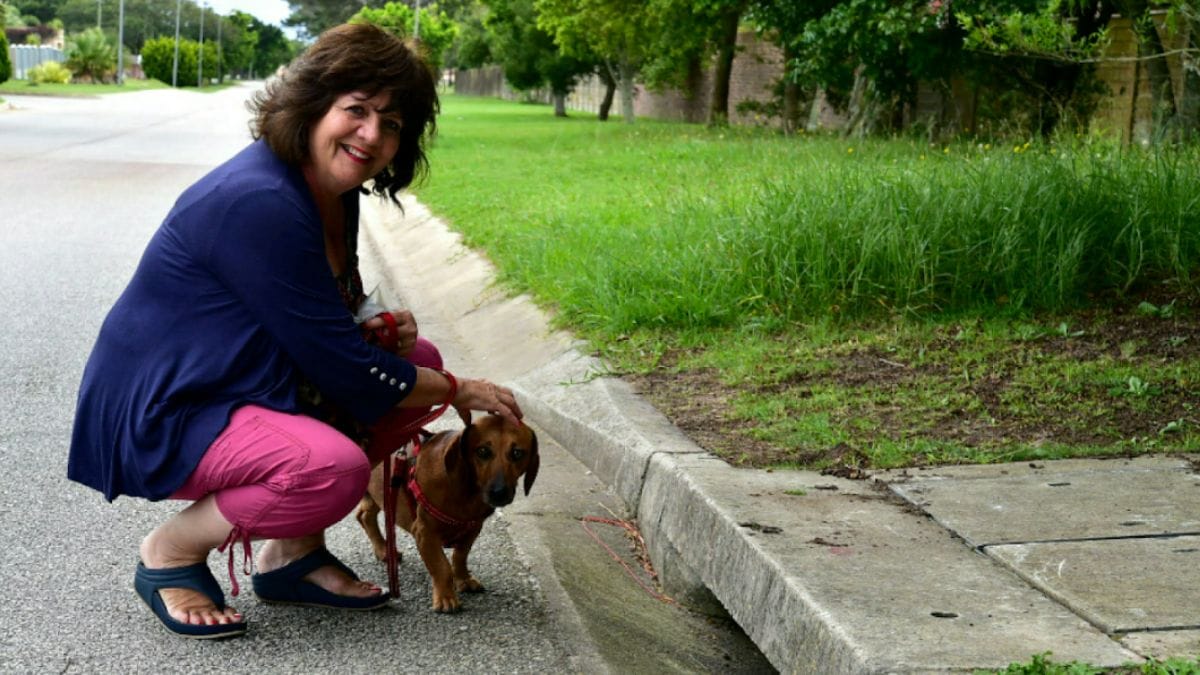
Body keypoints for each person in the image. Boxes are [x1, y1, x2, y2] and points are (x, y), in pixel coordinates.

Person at [67, 22, 522, 640]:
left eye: (391, 123)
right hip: (170, 406)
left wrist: (373, 323)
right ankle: (169, 553)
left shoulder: (333, 189)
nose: (371, 134)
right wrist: (458, 388)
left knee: (419, 358)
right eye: (356, 110)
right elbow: (346, 371)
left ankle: (291, 554)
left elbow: (315, 314)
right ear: (312, 105)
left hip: (240, 375)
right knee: (331, 468)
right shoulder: (261, 200)